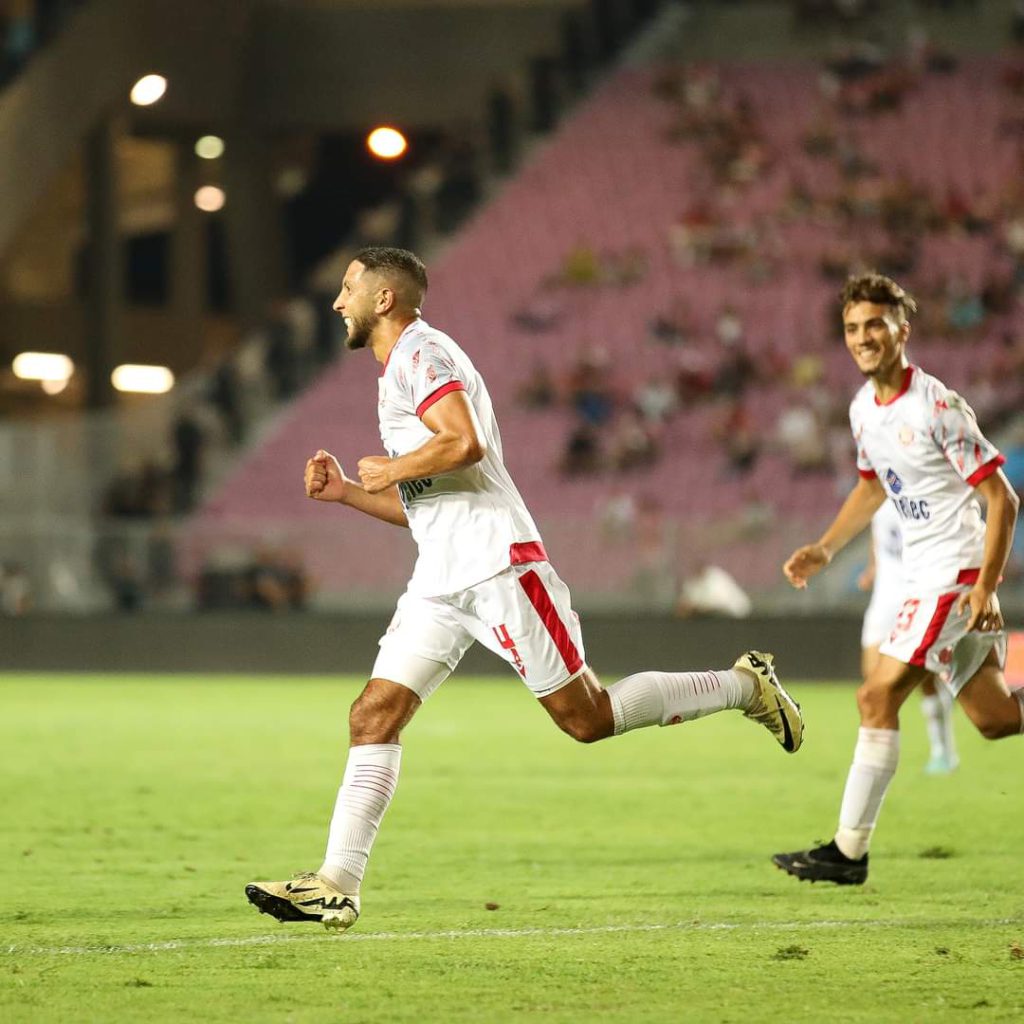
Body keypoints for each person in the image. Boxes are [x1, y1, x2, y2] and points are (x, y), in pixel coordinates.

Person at [246, 247, 804, 930]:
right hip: (441, 578)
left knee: (587, 718)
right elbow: (427, 498)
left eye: (348, 288)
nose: (338, 302)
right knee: (373, 715)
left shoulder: (422, 353)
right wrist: (351, 495)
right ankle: (337, 882)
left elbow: (464, 443)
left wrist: (392, 466)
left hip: (499, 565)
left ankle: (745, 686)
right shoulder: (399, 370)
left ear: (383, 298)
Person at [773, 272, 1021, 887]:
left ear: (902, 330)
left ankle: (848, 852)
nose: (863, 337)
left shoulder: (937, 405)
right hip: (925, 577)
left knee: (875, 696)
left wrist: (984, 586)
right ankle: (847, 852)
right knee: (994, 720)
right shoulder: (863, 410)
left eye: (875, 325)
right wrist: (826, 549)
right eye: (853, 328)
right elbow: (874, 485)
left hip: (952, 577)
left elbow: (1002, 497)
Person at [859, 502, 957, 774]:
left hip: (919, 589)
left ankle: (942, 751)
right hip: (885, 595)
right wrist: (872, 567)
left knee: (923, 676)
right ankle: (879, 759)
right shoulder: (878, 480)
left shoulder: (920, 484)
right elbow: (876, 527)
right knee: (872, 680)